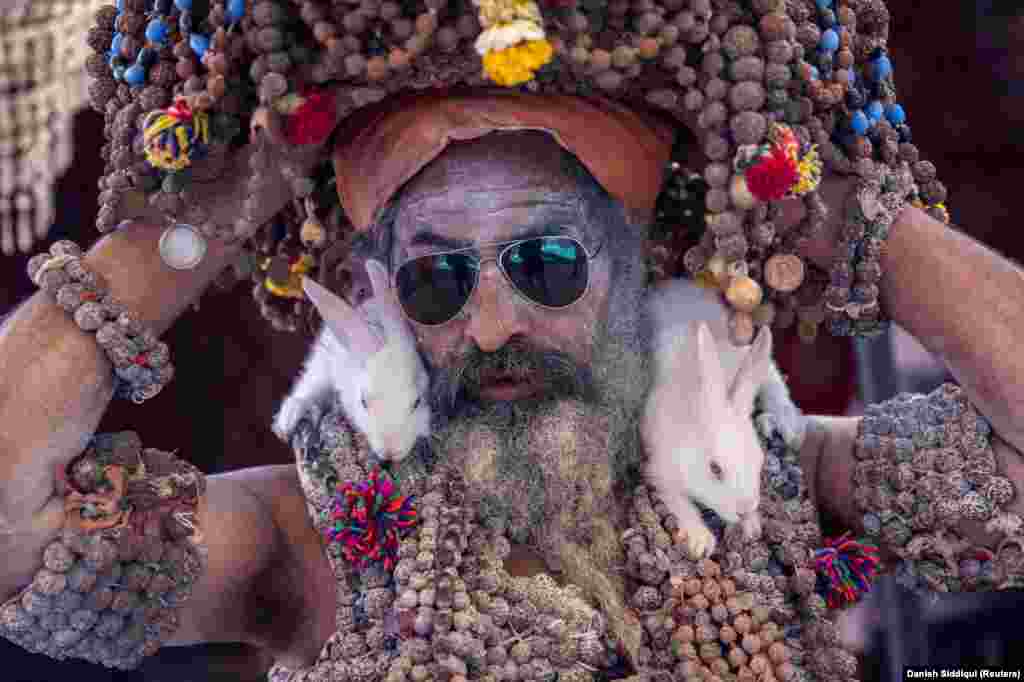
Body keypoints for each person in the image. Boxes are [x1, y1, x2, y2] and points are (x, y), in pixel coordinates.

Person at [1, 1, 1023, 680]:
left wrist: (841, 220)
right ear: (384, 301)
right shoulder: (303, 538)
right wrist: (188, 230)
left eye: (544, 264)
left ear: (638, 267)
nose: (491, 325)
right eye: (439, 280)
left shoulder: (785, 490)